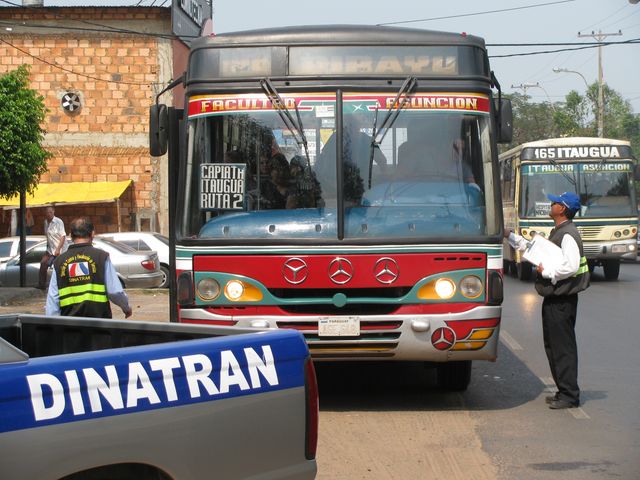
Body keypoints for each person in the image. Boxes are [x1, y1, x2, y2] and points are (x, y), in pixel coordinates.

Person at [504, 191, 590, 409]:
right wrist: (509, 235)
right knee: (553, 346)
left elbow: (570, 266)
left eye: (554, 202)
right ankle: (564, 391)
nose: (550, 205)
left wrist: (547, 271)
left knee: (563, 348)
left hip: (562, 300)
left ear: (562, 209)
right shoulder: (559, 231)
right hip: (555, 299)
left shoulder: (568, 234)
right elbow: (533, 249)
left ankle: (570, 395)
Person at [45, 217, 132, 319]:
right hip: (99, 325)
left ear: (71, 236)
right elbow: (115, 291)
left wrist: (52, 326)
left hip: (70, 327)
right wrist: (126, 307)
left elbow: (52, 301)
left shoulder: (59, 261)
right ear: (92, 234)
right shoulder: (101, 257)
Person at [38, 206, 66, 290]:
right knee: (43, 263)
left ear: (53, 212)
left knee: (59, 267)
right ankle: (42, 285)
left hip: (60, 249)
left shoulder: (58, 221)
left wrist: (58, 249)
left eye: (51, 212)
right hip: (50, 249)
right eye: (47, 212)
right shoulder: (46, 222)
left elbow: (63, 236)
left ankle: (61, 285)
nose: (49, 214)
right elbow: (48, 237)